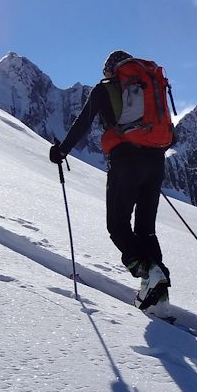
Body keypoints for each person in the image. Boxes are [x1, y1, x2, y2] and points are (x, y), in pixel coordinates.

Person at [49, 50, 170, 309]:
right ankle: (158, 298)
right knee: (146, 230)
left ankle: (150, 273)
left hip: (126, 161)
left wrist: (61, 151)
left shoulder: (105, 89)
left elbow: (83, 122)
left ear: (111, 70)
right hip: (156, 161)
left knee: (117, 225)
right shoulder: (149, 86)